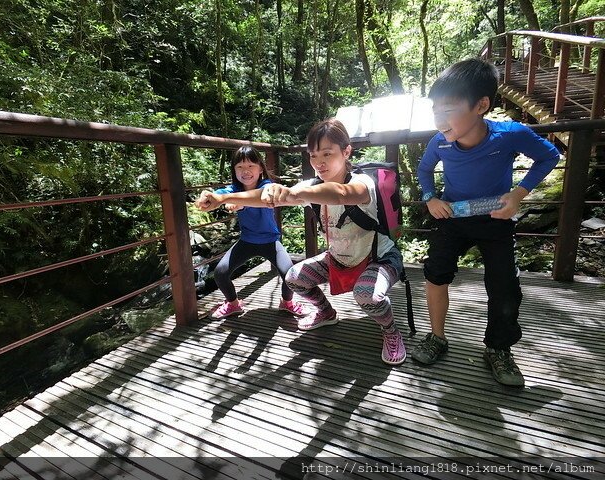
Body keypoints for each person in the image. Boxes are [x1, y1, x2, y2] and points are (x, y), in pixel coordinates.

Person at [198, 120, 407, 365]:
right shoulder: (311, 187)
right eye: (313, 155)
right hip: (338, 258)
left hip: (379, 258)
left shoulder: (363, 183)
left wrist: (293, 194)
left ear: (346, 151)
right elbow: (268, 196)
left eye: (327, 154)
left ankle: (391, 331)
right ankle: (326, 313)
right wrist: (222, 198)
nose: (319, 162)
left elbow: (340, 194)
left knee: (367, 295)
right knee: (294, 277)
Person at [414, 58, 561, 386]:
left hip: (495, 218)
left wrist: (518, 194)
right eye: (435, 110)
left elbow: (550, 155)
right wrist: (430, 198)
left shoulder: (509, 134)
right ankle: (437, 337)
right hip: (454, 217)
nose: (440, 120)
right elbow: (425, 171)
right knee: (436, 273)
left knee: (505, 287)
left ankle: (498, 349)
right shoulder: (439, 142)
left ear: (481, 105)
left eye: (448, 109)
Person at [194, 146, 308, 319]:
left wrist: (239, 202)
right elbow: (216, 195)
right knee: (220, 273)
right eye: (239, 167)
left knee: (289, 275)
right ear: (234, 170)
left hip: (270, 242)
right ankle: (233, 304)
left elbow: (261, 195)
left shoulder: (267, 186)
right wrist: (205, 199)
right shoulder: (232, 190)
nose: (245, 171)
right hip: (246, 241)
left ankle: (287, 302)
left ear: (260, 168)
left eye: (250, 166)